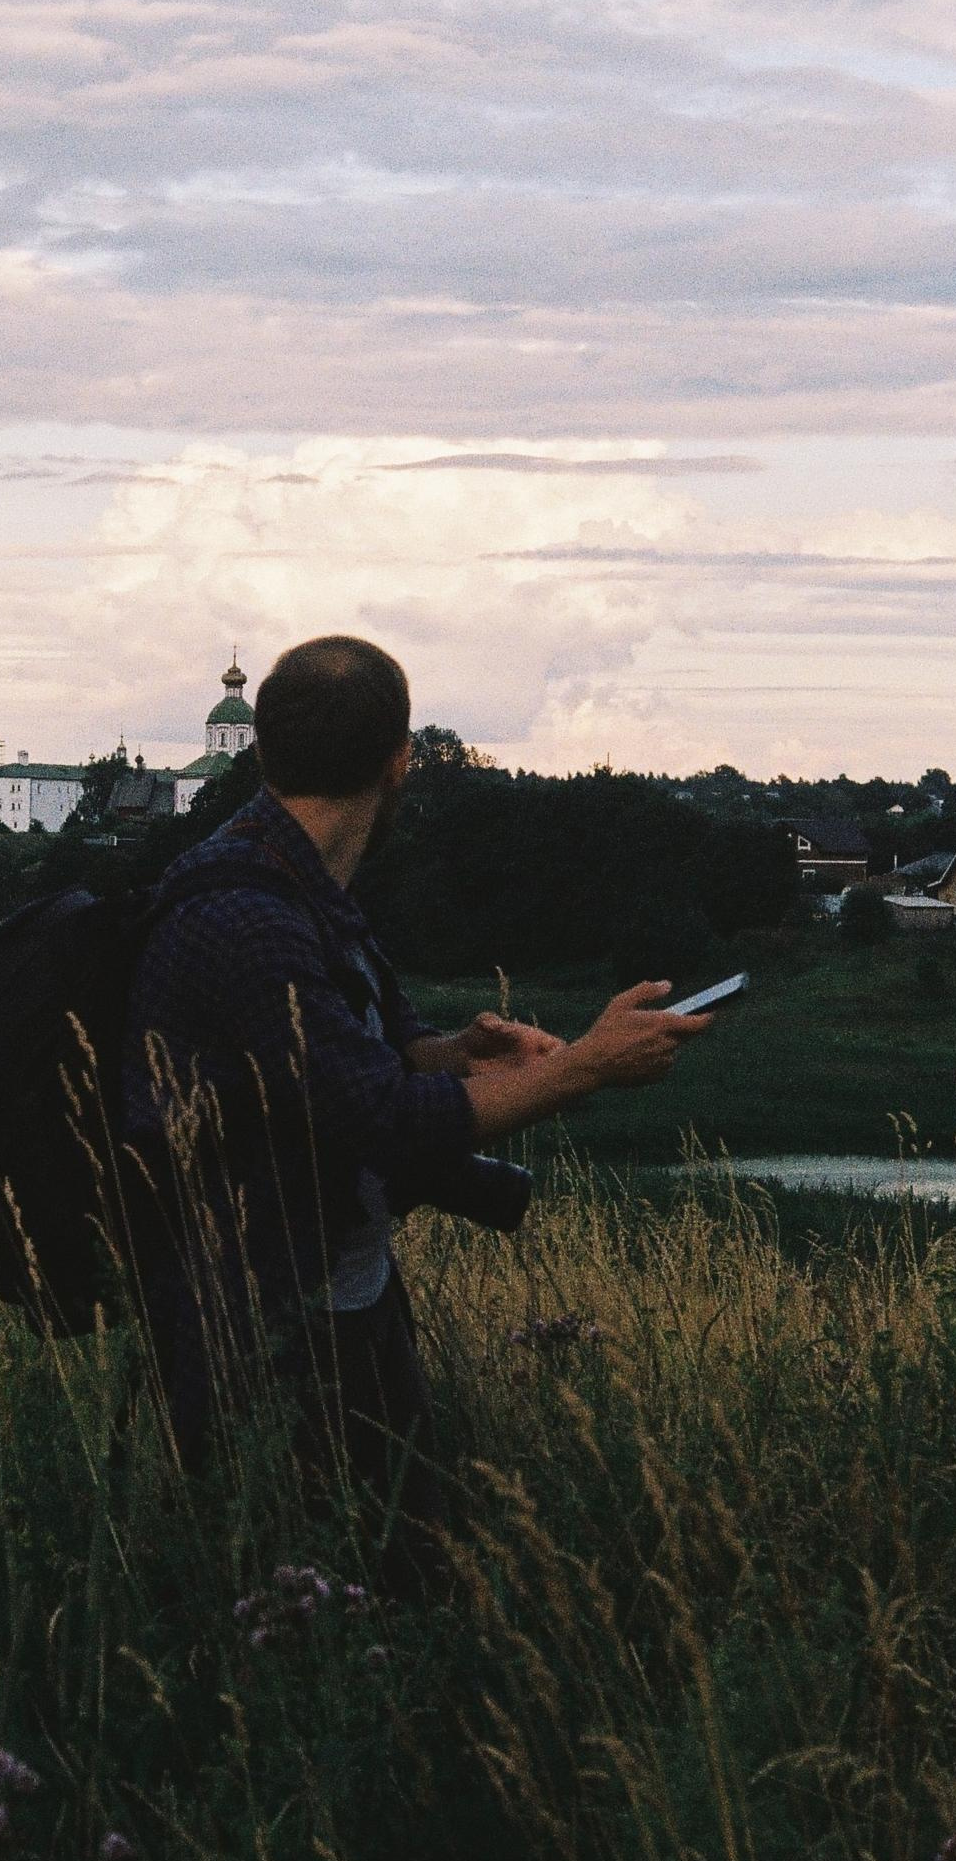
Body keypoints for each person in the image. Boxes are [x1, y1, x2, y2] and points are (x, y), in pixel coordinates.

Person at [120, 633, 711, 1575]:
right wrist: (584, 1068)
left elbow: (349, 1064)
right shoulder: (248, 912)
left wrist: (455, 1054)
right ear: (401, 761)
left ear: (264, 748)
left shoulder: (299, 891)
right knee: (318, 1597)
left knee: (403, 1566)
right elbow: (376, 1119)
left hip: (340, 1293)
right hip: (261, 1322)